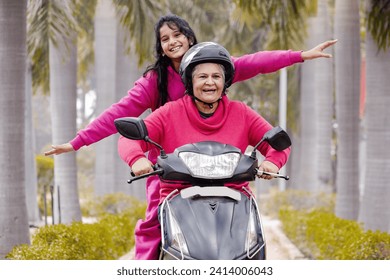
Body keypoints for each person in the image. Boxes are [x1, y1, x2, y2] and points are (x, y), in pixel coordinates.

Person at [44, 14, 337, 260]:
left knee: (252, 237)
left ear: (225, 78)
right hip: (172, 173)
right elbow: (120, 120)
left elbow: (258, 62)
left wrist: (300, 55)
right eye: (165, 39)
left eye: (178, 34)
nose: (209, 82)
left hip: (228, 180)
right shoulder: (159, 92)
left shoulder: (228, 89)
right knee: (152, 223)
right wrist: (86, 145)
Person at [118, 42, 291, 259]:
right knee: (148, 248)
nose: (210, 82)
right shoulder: (169, 112)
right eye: (202, 77)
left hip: (236, 203)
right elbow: (129, 139)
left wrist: (272, 163)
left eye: (216, 77)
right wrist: (136, 159)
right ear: (190, 81)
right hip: (177, 200)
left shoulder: (242, 113)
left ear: (225, 81)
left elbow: (278, 144)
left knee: (253, 252)